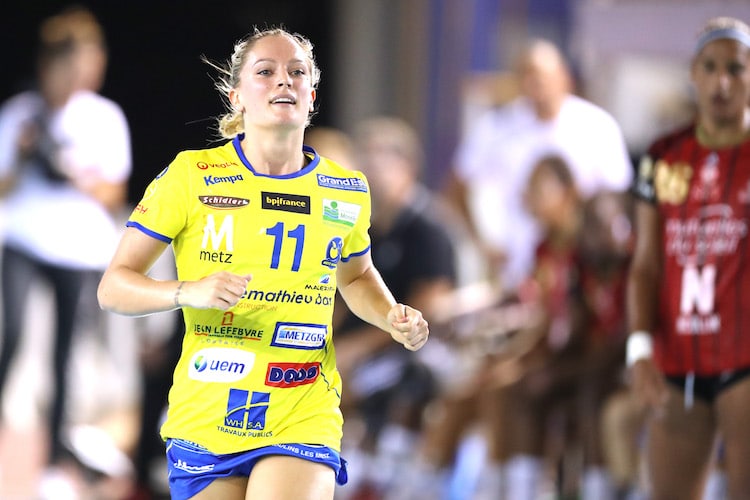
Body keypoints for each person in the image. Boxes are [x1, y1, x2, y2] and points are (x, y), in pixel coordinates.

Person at [97, 27, 429, 500]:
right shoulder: (191, 176)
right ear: (237, 97)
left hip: (302, 404)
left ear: (311, 96)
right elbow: (113, 288)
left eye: (297, 73)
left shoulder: (346, 189)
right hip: (208, 412)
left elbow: (355, 275)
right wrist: (186, 290)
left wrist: (392, 315)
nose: (284, 81)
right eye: (266, 72)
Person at [0, 6, 131, 495]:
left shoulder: (103, 117)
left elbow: (116, 189)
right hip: (23, 241)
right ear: (48, 64)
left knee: (64, 357)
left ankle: (53, 463)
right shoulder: (20, 113)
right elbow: (2, 185)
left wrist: (75, 175)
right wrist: (25, 153)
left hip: (78, 249)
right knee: (9, 337)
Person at [627, 16, 750, 500]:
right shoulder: (662, 156)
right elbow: (645, 264)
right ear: (693, 74)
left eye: (736, 70)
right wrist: (639, 351)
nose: (723, 82)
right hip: (677, 358)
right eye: (711, 68)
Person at [330, 116, 458, 499]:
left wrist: (355, 350)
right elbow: (340, 295)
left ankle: (385, 484)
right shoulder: (364, 225)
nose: (367, 171)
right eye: (363, 160)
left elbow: (428, 310)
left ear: (407, 166)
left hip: (412, 351)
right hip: (363, 347)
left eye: (378, 161)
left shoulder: (430, 228)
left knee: (347, 380)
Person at [444, 37, 633, 294]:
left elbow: (618, 198)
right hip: (519, 271)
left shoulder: (598, 126)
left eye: (543, 76)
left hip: (582, 269)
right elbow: (456, 187)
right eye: (527, 76)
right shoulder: (496, 126)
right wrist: (482, 245)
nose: (536, 85)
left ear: (565, 78)